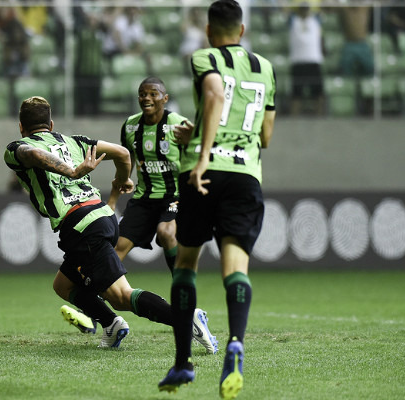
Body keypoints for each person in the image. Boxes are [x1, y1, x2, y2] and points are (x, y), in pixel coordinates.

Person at [157, 1, 276, 398]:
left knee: (186, 262)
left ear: (210, 31)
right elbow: (265, 138)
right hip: (246, 176)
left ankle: (182, 363)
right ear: (241, 32)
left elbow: (213, 95)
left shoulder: (204, 57)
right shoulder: (265, 68)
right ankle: (236, 343)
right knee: (235, 266)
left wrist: (203, 151)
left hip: (203, 173)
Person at [4, 96, 176, 349]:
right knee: (63, 284)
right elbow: (123, 153)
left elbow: (31, 153)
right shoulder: (74, 143)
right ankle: (111, 324)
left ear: (21, 126)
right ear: (51, 124)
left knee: (120, 296)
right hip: (102, 215)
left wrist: (72, 172)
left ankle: (185, 318)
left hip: (80, 225)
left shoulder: (15, 148)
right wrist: (121, 179)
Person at [108, 76, 218, 354]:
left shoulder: (178, 125)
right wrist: (126, 179)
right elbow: (127, 158)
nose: (146, 98)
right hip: (144, 199)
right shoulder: (131, 126)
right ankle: (106, 316)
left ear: (164, 98)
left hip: (175, 196)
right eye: (142, 94)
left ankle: (183, 299)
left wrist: (196, 145)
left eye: (152, 94)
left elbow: (204, 151)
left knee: (167, 233)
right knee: (113, 251)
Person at [288, 3, 325, 116]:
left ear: (310, 10)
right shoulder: (293, 20)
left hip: (314, 60)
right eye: (302, 10)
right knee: (296, 93)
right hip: (298, 61)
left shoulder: (316, 20)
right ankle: (294, 118)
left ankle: (320, 117)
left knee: (318, 92)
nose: (304, 12)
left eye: (306, 10)